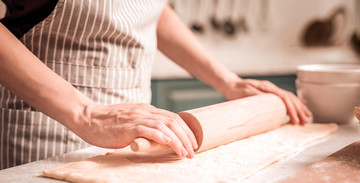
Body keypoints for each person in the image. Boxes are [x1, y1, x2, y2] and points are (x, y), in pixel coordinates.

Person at [0, 0, 311, 169]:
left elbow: (151, 9)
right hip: (46, 134)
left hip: (139, 139)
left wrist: (228, 82)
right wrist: (87, 114)